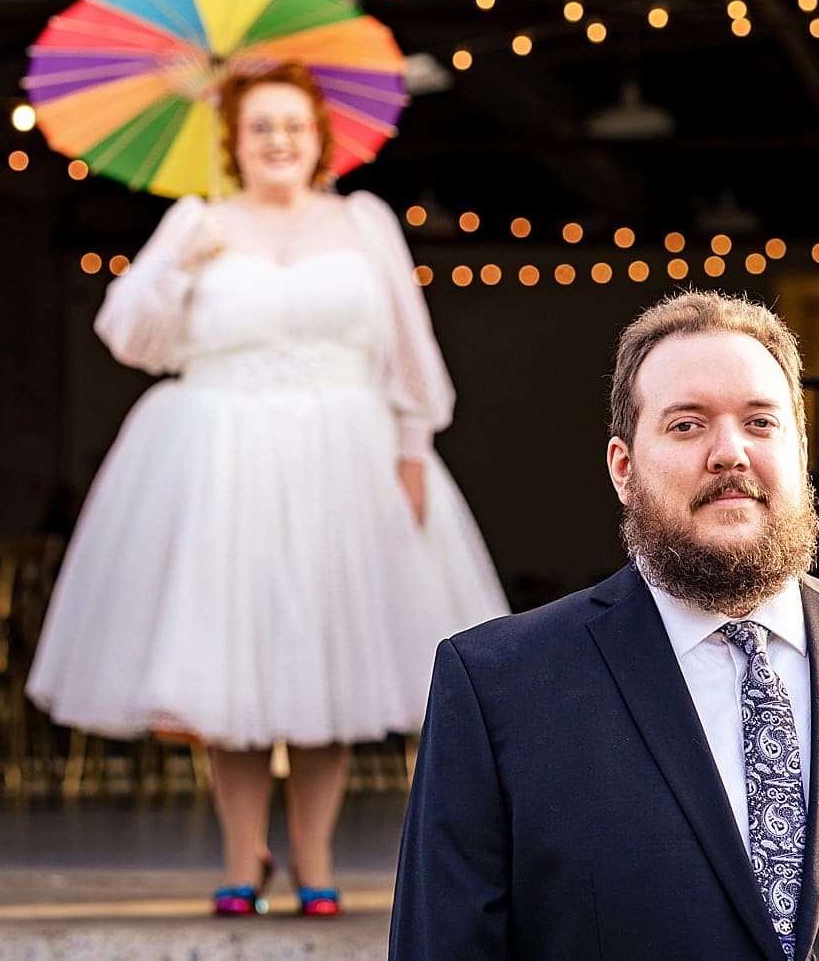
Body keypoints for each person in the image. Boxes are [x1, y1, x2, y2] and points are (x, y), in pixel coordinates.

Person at [391, 290, 819, 959]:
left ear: (800, 450)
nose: (730, 452)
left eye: (761, 422)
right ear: (623, 469)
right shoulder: (497, 689)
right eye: (687, 425)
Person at [27, 63, 507, 917]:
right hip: (223, 460)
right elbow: (128, 335)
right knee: (227, 669)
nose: (279, 140)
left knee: (333, 663)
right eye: (261, 126)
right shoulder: (197, 220)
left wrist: (411, 448)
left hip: (346, 458)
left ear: (320, 137)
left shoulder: (364, 222)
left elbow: (410, 344)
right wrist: (177, 263)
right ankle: (239, 858)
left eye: (294, 124)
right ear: (233, 141)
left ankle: (315, 858)